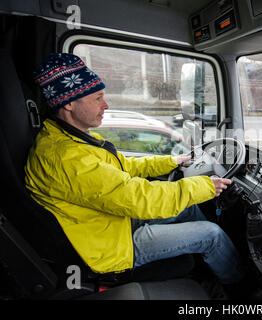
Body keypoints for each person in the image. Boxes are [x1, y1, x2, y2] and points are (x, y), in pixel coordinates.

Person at [24, 53, 243, 285]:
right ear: (68, 103)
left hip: (112, 223)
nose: (105, 105)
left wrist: (171, 162)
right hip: (111, 248)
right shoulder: (66, 157)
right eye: (97, 98)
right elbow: (138, 198)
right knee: (212, 235)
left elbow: (123, 166)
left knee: (188, 208)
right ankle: (241, 289)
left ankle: (207, 262)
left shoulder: (74, 138)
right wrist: (204, 186)